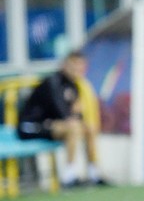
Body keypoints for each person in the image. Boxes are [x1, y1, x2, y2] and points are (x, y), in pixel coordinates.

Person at [17, 50, 106, 187]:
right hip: (30, 127)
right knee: (73, 128)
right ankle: (68, 176)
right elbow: (61, 111)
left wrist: (78, 116)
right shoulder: (53, 82)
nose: (78, 70)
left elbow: (74, 113)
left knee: (89, 127)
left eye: (80, 66)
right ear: (65, 65)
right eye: (74, 66)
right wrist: (74, 117)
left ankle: (94, 173)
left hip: (52, 125)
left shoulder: (74, 85)